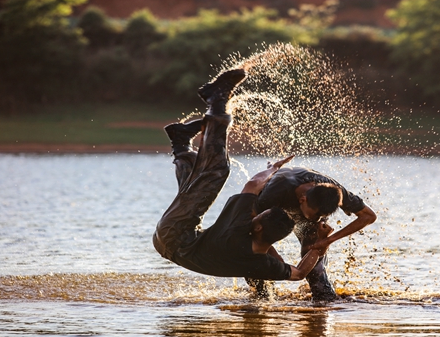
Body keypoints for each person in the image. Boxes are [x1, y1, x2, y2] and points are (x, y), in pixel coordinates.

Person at [153, 69, 333, 282]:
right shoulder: (264, 263)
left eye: (258, 216)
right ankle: (181, 144)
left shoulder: (239, 228)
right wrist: (320, 244)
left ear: (257, 227)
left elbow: (253, 184)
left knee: (218, 171)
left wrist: (273, 168)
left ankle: (217, 99)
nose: (254, 215)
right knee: (194, 189)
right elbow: (300, 273)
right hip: (169, 248)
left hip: (175, 232)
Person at [248, 167, 377, 301]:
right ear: (302, 199)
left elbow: (368, 216)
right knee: (255, 257)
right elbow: (250, 226)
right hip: (272, 214)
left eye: (322, 216)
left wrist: (328, 240)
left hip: (307, 222)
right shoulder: (276, 191)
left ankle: (324, 305)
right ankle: (261, 300)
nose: (318, 219)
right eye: (316, 214)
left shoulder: (334, 192)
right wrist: (273, 254)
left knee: (316, 274)